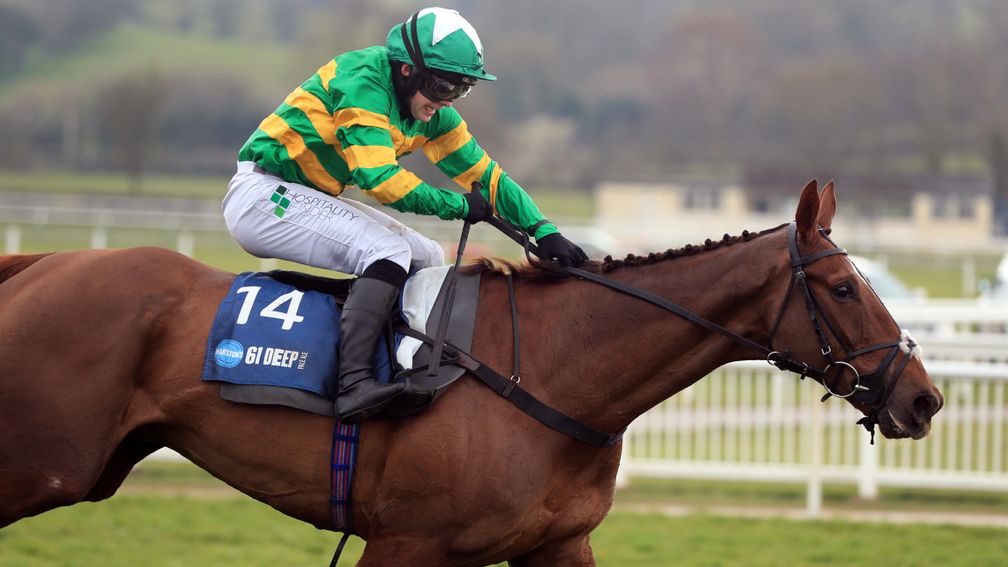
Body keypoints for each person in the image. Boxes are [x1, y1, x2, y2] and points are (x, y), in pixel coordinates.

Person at [222, 7, 588, 423]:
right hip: (265, 196)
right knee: (389, 250)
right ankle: (354, 384)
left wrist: (542, 229)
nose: (447, 99)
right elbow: (380, 180)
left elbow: (486, 177)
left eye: (461, 88)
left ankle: (399, 367)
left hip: (306, 195)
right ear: (407, 69)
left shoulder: (432, 113)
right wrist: (457, 206)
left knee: (427, 256)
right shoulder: (362, 80)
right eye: (443, 84)